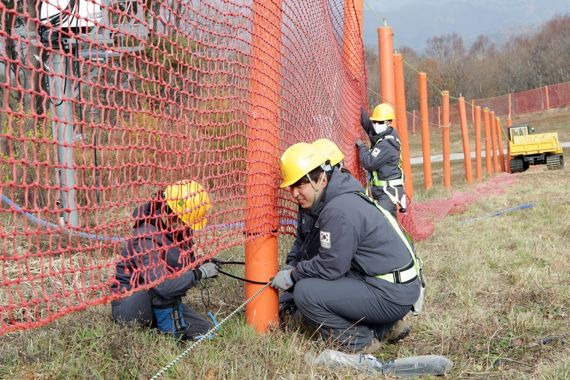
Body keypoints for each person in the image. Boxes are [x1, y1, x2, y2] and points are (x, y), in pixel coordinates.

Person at [271, 142, 421, 353]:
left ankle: (360, 342)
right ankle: (386, 327)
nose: (294, 193)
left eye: (300, 185)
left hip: (391, 293)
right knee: (322, 284)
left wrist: (294, 275)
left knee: (306, 292)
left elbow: (330, 267)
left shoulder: (338, 210)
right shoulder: (341, 196)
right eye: (291, 187)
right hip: (395, 285)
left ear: (321, 179)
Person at [110, 180, 219, 340]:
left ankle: (165, 323)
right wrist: (198, 274)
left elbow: (183, 264)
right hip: (130, 305)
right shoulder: (145, 237)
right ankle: (169, 335)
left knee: (204, 329)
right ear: (167, 211)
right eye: (182, 221)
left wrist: (202, 263)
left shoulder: (177, 231)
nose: (184, 227)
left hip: (160, 298)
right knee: (160, 289)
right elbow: (163, 286)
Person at [279, 139, 346, 323]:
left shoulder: (339, 209)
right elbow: (302, 241)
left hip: (335, 277)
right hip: (315, 271)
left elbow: (333, 264)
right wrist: (291, 265)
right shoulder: (308, 203)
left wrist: (295, 275)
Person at [356, 103, 407, 218]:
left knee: (383, 223)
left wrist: (362, 147)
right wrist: (356, 108)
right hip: (383, 190)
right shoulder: (386, 133)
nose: (375, 125)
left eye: (379, 122)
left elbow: (369, 162)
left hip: (388, 193)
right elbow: (370, 127)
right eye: (374, 122)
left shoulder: (387, 144)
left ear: (388, 123)